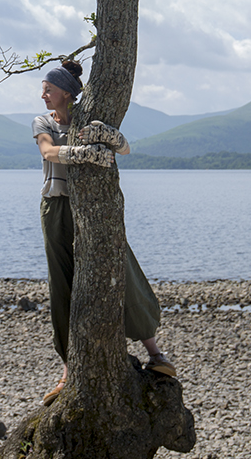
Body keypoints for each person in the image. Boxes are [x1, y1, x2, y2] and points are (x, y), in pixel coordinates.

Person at [32, 57, 174, 404]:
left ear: (67, 93)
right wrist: (84, 154)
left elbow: (124, 148)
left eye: (48, 90)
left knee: (122, 269)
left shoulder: (87, 116)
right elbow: (49, 152)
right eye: (43, 90)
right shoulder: (42, 121)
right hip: (57, 208)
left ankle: (155, 353)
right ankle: (69, 370)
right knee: (63, 284)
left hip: (93, 208)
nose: (43, 96)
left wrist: (111, 138)